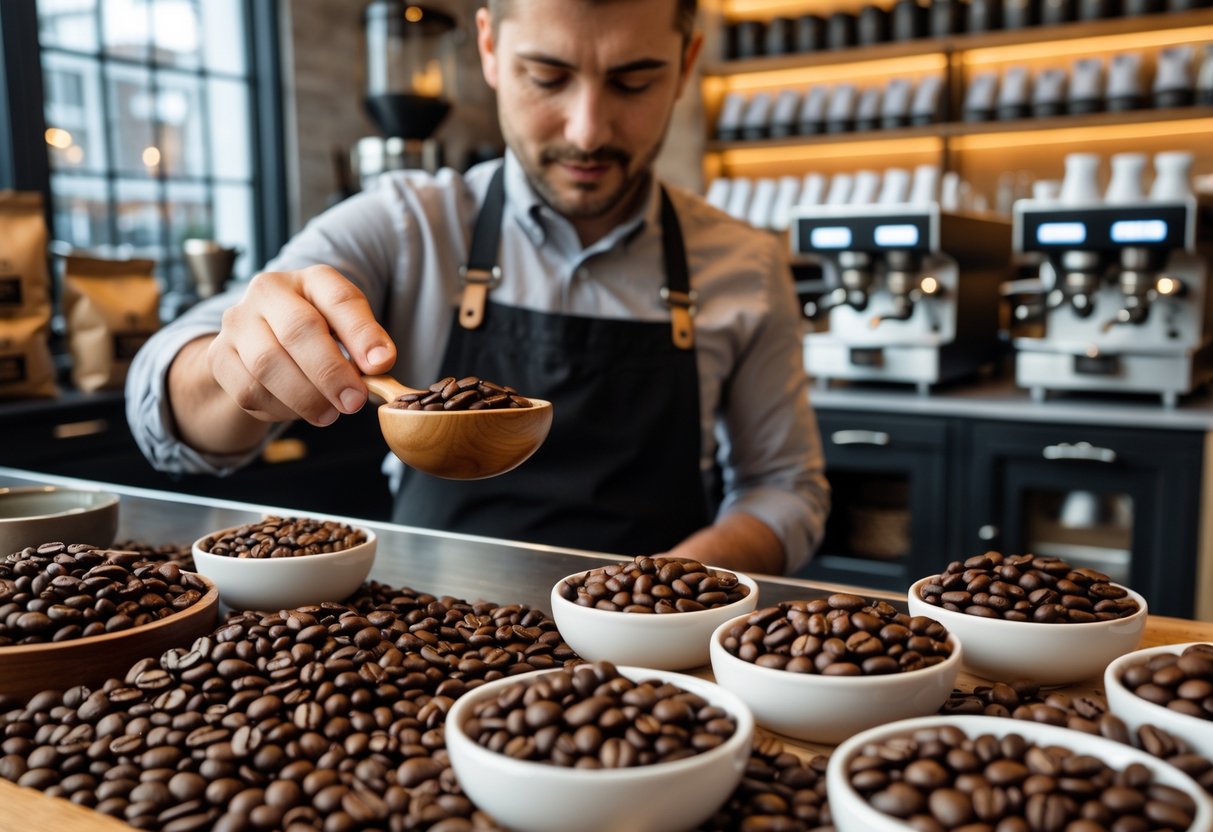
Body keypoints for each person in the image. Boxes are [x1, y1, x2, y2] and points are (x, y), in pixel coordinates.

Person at [127, 0, 829, 575]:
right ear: (489, 49)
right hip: (425, 634)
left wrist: (667, 586)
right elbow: (169, 409)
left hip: (657, 652)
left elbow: (786, 490)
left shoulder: (747, 264)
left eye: (633, 81)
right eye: (547, 77)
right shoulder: (405, 224)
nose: (587, 130)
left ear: (684, 65)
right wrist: (233, 364)